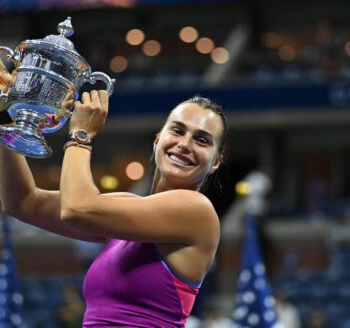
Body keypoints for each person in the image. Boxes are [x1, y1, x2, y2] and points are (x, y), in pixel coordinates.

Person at [0, 60, 227, 327]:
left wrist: (81, 134)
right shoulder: (128, 209)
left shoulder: (196, 210)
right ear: (158, 139)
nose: (184, 144)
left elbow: (77, 209)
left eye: (202, 140)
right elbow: (23, 202)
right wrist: (7, 115)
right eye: (177, 130)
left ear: (215, 162)